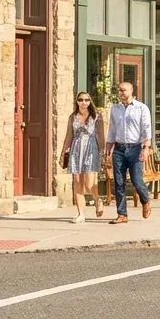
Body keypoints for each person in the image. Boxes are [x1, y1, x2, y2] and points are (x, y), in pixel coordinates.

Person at [104, 81, 152, 224]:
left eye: (124, 90)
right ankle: (122, 214)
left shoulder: (141, 108)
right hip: (119, 149)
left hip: (135, 148)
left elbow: (146, 129)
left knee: (137, 180)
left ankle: (145, 200)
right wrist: (108, 146)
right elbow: (112, 129)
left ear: (131, 91)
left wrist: (146, 148)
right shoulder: (115, 109)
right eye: (119, 90)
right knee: (119, 182)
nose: (121, 93)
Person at [60, 91, 104, 223]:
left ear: (90, 102)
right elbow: (69, 136)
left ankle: (97, 200)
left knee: (89, 184)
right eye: (80, 100)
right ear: (77, 101)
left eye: (86, 100)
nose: (83, 102)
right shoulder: (72, 117)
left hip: (91, 149)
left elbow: (101, 136)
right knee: (77, 181)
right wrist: (63, 153)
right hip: (76, 149)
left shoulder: (96, 116)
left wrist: (102, 152)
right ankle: (81, 214)